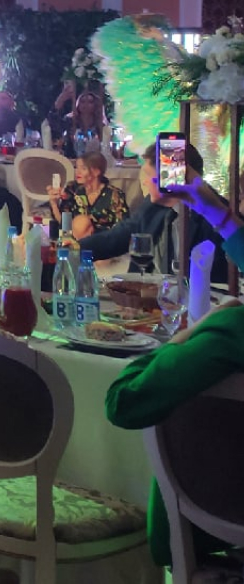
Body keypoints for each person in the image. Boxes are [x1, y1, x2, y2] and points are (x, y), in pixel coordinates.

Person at [105, 173, 244, 573]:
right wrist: (219, 215)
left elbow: (123, 400)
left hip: (209, 532)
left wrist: (188, 335)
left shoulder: (230, 334)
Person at [76, 142, 227, 281]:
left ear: (171, 176)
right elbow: (117, 237)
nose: (145, 181)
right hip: (145, 294)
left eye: (149, 175)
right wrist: (74, 249)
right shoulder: (153, 205)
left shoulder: (215, 214)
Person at [47, 150, 130, 240]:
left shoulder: (114, 195)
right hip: (74, 242)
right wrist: (54, 203)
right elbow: (64, 226)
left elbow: (122, 229)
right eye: (76, 167)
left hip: (103, 242)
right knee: (80, 223)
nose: (77, 172)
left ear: (96, 172)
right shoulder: (72, 189)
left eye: (83, 168)